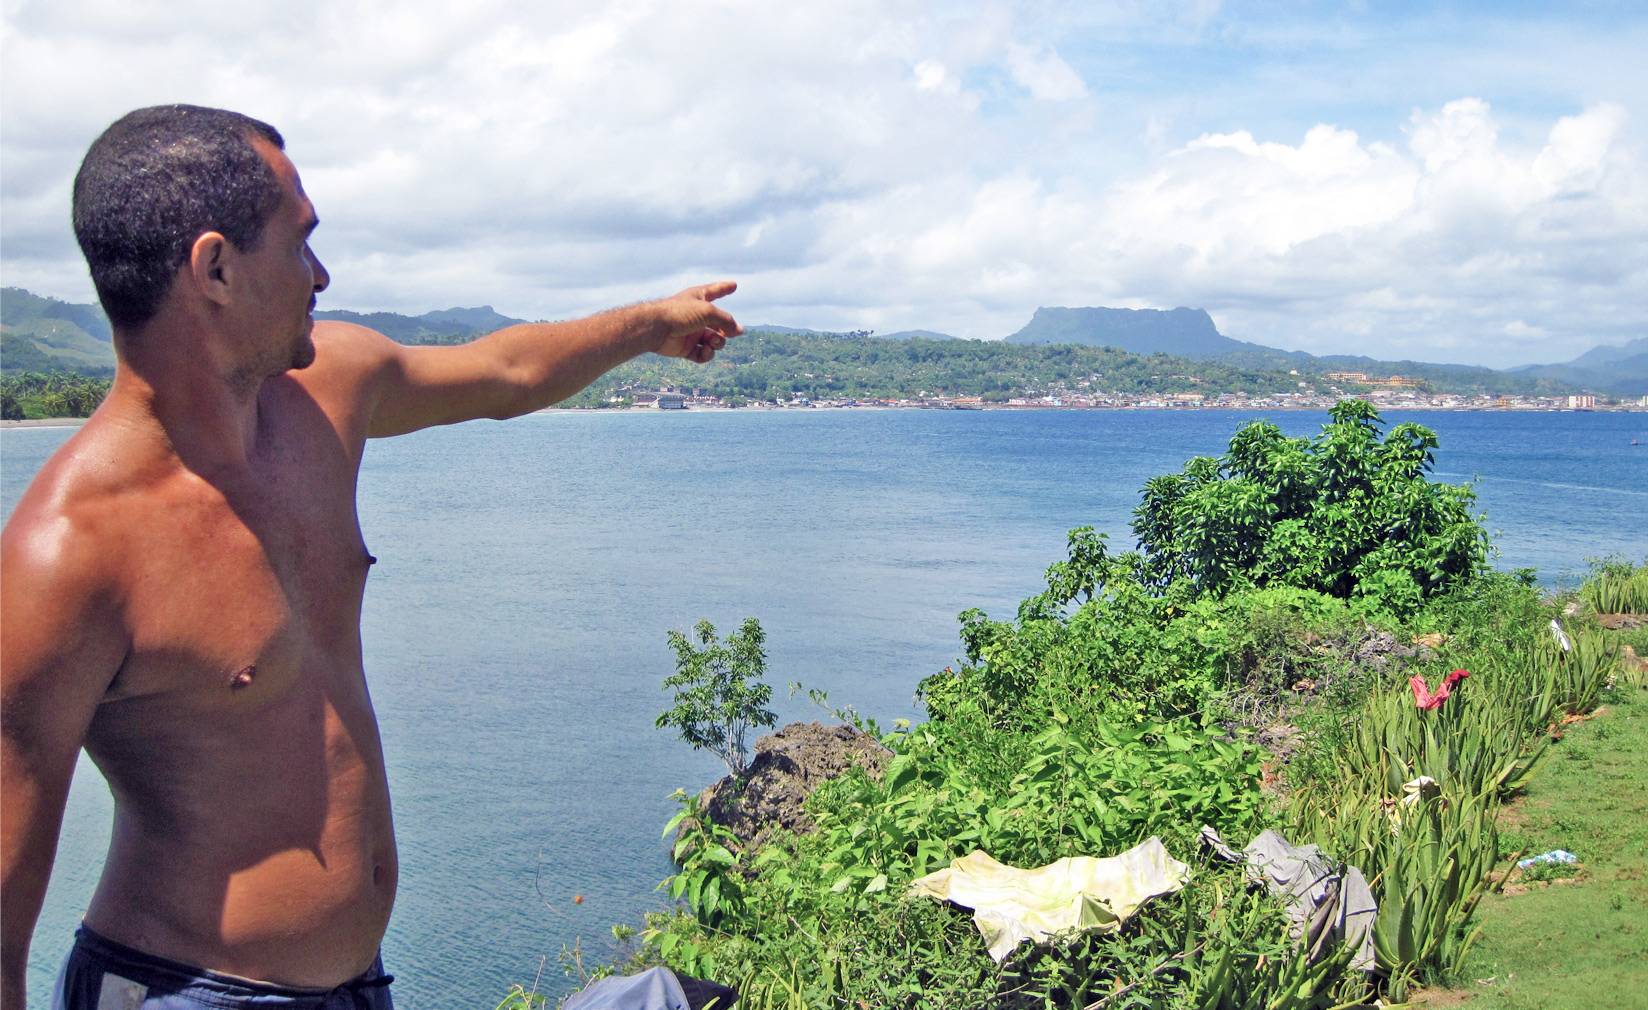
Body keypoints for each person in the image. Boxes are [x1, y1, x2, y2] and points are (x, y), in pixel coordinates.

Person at [0, 105, 741, 1010]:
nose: (322, 273)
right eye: (300, 241)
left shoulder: (324, 393)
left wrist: (651, 324)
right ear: (216, 268)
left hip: (358, 985)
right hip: (182, 991)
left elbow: (504, 372)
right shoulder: (66, 557)